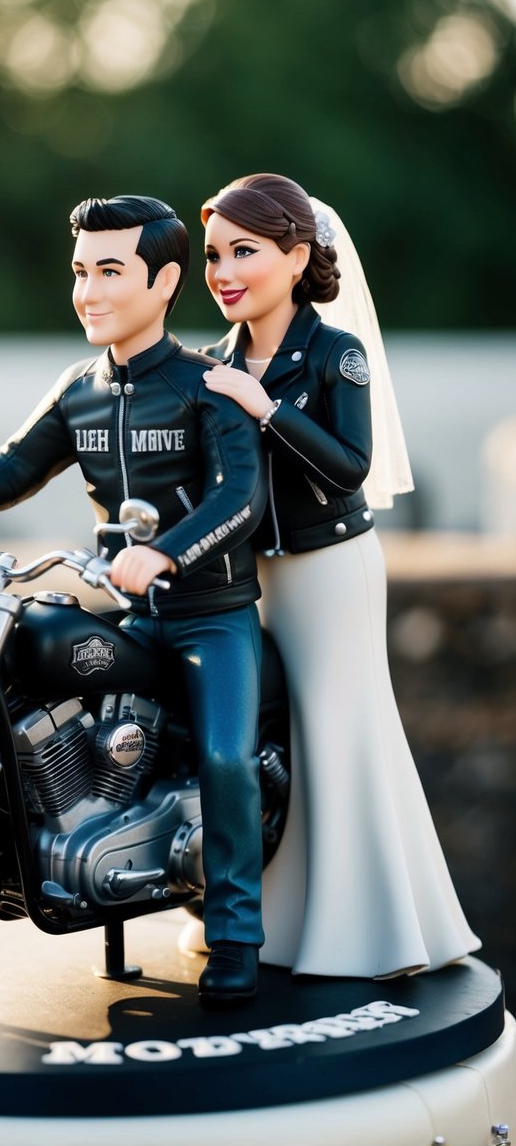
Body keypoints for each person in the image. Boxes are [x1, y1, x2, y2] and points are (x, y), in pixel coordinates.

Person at [0, 194, 270, 1001]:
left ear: (165, 283)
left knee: (226, 756)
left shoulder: (210, 387)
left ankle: (234, 934)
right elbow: (17, 465)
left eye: (109, 272)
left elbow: (239, 501)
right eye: (79, 273)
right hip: (125, 615)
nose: (88, 292)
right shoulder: (78, 390)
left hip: (210, 618)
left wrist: (165, 551)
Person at [185, 172, 480, 978]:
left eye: (243, 250)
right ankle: (264, 918)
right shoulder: (214, 361)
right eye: (214, 254)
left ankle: (367, 928)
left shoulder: (334, 355)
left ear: (296, 253)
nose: (223, 271)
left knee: (337, 735)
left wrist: (265, 407)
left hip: (331, 573)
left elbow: (350, 467)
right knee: (265, 743)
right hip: (253, 581)